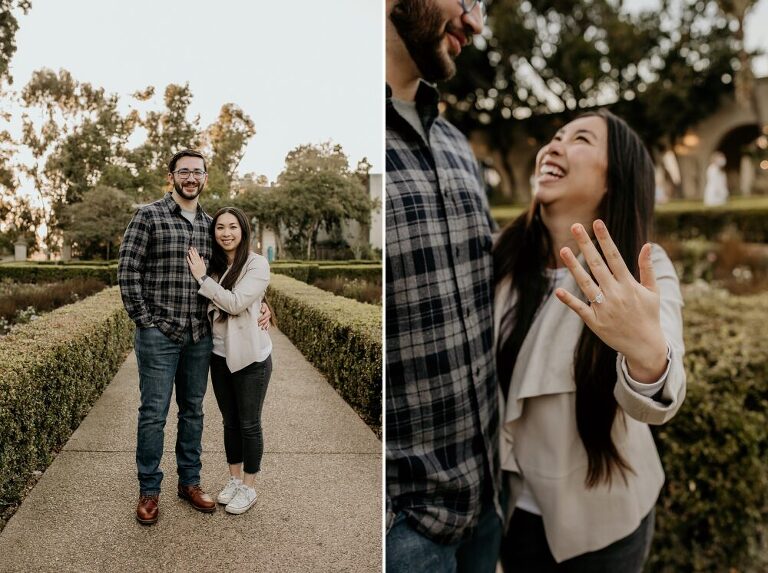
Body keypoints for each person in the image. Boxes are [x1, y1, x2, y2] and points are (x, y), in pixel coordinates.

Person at [493, 109, 686, 571]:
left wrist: (646, 356)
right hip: (510, 516)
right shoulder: (500, 256)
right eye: (555, 136)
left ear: (613, 178)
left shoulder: (644, 269)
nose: (553, 146)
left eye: (580, 139)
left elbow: (663, 385)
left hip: (606, 524)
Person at [385, 0, 504, 571]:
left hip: (486, 510)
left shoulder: (458, 147)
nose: (476, 23)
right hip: (402, 535)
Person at [117, 149, 269, 525]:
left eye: (197, 172)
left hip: (200, 336)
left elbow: (236, 272)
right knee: (153, 414)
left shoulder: (211, 225)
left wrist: (263, 305)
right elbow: (127, 272)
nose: (190, 177)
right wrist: (145, 321)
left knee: (194, 412)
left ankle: (190, 482)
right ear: (172, 176)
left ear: (205, 178)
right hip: (159, 335)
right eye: (183, 171)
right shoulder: (148, 216)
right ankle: (149, 490)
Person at [186, 207, 272, 516]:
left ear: (243, 230)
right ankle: (234, 480)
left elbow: (235, 303)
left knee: (249, 423)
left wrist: (201, 278)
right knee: (229, 422)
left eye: (232, 227)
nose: (226, 233)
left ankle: (249, 486)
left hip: (251, 358)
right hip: (218, 356)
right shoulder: (217, 264)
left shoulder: (257, 263)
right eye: (220, 227)